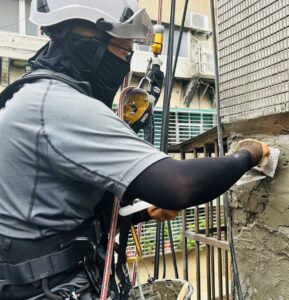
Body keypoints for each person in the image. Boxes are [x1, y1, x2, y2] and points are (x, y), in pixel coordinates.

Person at [0, 1, 269, 299]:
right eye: (124, 51)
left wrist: (140, 215)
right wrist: (248, 154)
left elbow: (51, 213)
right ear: (89, 45)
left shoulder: (28, 96)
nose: (125, 64)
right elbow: (179, 186)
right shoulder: (58, 105)